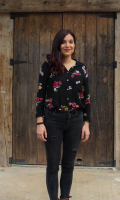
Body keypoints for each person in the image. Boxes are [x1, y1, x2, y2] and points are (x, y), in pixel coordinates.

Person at [35, 29, 91, 200]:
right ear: (58, 45)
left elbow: (86, 97)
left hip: (75, 121)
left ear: (74, 45)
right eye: (64, 42)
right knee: (53, 166)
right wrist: (40, 122)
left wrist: (86, 123)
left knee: (68, 165)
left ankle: (65, 197)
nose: (68, 45)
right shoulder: (48, 66)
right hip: (52, 120)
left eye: (71, 42)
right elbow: (40, 95)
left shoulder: (82, 68)